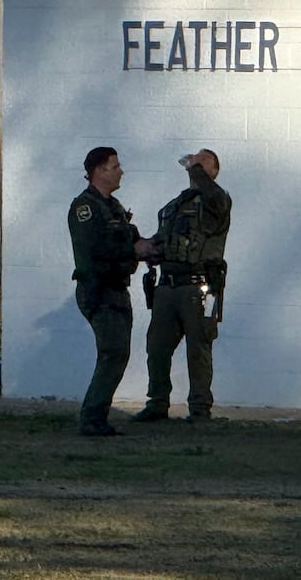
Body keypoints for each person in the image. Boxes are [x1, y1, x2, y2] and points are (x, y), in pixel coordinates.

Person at [131, 149, 232, 424]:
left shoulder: (216, 202)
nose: (193, 168)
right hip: (168, 285)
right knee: (157, 347)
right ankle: (157, 402)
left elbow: (213, 195)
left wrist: (194, 167)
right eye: (192, 164)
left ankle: (200, 409)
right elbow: (164, 239)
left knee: (198, 349)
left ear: (211, 170)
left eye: (200, 164)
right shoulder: (176, 205)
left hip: (198, 287)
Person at [69, 147, 157, 436]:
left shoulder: (114, 207)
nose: (121, 171)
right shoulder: (85, 208)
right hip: (99, 289)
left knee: (118, 354)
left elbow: (131, 237)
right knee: (112, 352)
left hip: (118, 288)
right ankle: (92, 418)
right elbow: (94, 248)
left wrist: (149, 246)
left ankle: (97, 416)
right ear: (99, 171)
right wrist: (131, 249)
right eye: (115, 166)